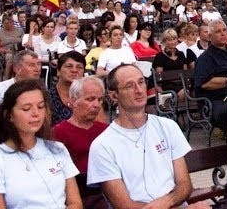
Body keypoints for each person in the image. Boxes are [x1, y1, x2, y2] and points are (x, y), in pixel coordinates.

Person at [87, 64, 211, 208]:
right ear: (114, 96)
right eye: (129, 86)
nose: (139, 90)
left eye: (141, 82)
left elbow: (184, 185)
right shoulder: (102, 145)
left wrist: (169, 202)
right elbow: (125, 206)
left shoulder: (167, 126)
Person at [0, 79, 83, 209]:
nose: (36, 114)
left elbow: (75, 203)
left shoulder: (58, 149)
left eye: (41, 107)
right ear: (9, 115)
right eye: (26, 108)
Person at [52, 76, 108, 181]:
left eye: (100, 99)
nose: (96, 105)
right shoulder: (59, 132)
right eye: (90, 99)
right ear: (73, 101)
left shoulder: (106, 131)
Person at [48, 51, 87, 125]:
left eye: (79, 67)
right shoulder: (47, 98)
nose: (74, 70)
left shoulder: (89, 97)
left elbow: (100, 128)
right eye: (69, 66)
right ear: (58, 71)